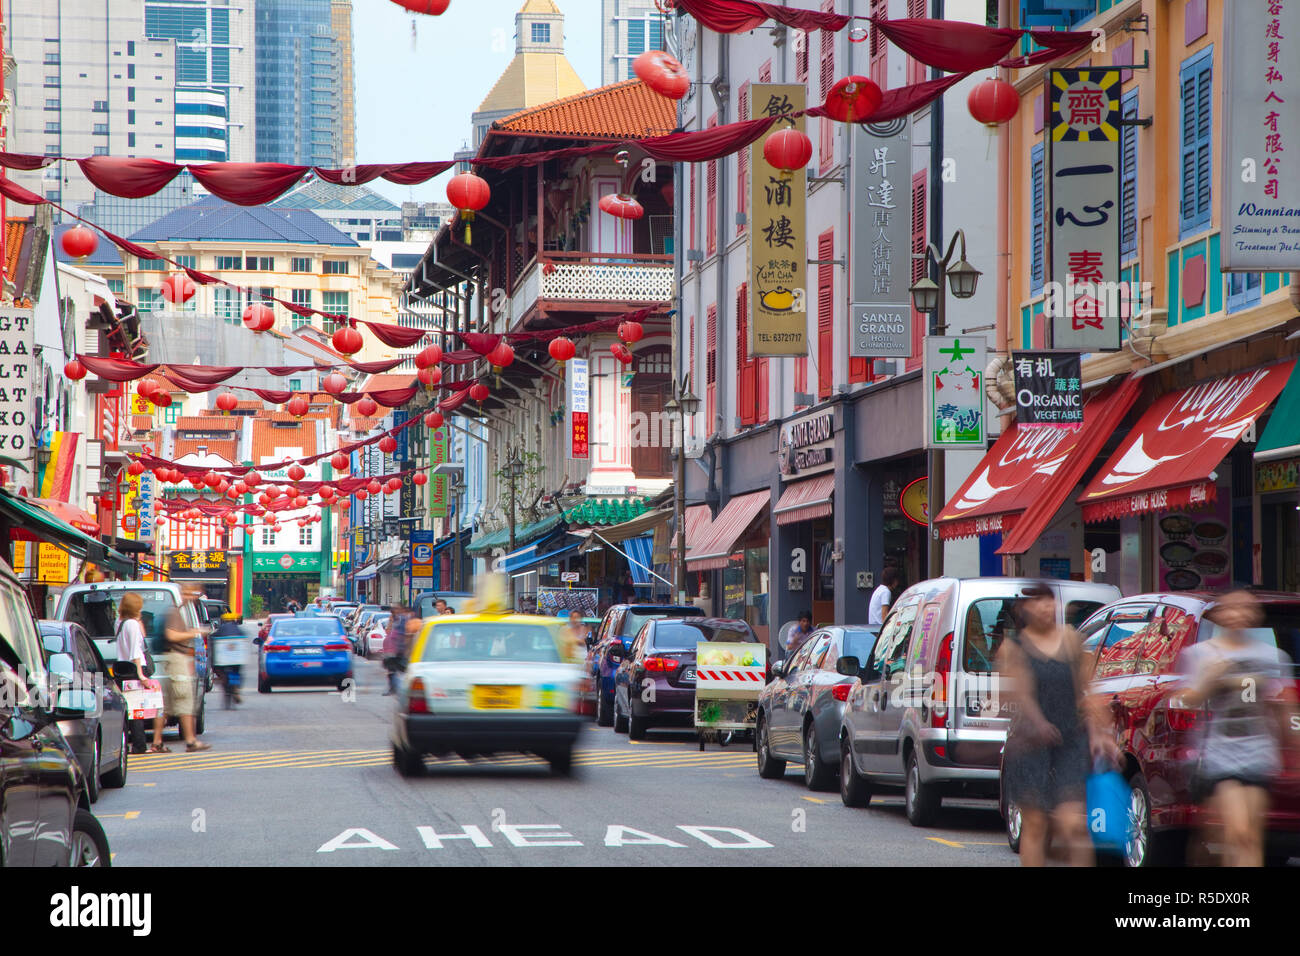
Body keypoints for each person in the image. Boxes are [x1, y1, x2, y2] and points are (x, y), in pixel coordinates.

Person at [997, 582, 1115, 867]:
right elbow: (1015, 695)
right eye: (1037, 601)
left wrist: (1102, 734)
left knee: (1073, 824)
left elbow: (1087, 689)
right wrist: (1037, 722)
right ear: (1024, 609)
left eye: (1049, 600)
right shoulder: (1012, 649)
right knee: (1036, 825)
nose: (1045, 607)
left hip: (1069, 740)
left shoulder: (1071, 639)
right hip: (1028, 744)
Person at [1178, 590, 1296, 867]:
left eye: (1246, 608)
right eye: (1231, 608)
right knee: (1237, 832)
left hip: (1258, 753)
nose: (1239, 614)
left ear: (1255, 614)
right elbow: (1185, 699)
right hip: (1219, 755)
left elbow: (1285, 706)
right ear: (1219, 614)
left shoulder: (1273, 656)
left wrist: (1293, 739)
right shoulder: (1200, 654)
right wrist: (1210, 680)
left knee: (1250, 837)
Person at [154, 586, 211, 753]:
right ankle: (191, 740)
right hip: (176, 659)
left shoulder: (183, 610)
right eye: (187, 593)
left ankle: (157, 742)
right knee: (185, 701)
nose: (191, 596)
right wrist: (193, 633)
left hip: (177, 659)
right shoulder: (175, 612)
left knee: (167, 706)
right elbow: (171, 635)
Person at [115, 592, 160, 755]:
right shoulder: (132, 624)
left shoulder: (119, 622)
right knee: (137, 710)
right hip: (134, 669)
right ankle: (139, 745)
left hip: (123, 668)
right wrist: (141, 675)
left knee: (129, 709)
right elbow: (135, 651)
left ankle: (127, 744)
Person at [211, 612, 245, 707]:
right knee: (238, 670)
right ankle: (236, 689)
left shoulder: (221, 629)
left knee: (218, 670)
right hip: (236, 659)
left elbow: (213, 637)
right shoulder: (238, 629)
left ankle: (223, 679)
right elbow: (244, 638)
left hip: (223, 660)